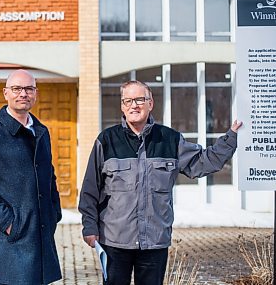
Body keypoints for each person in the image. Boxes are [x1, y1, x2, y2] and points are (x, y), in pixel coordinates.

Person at [78, 80, 242, 285]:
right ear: (122, 106)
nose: (133, 105)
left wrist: (232, 137)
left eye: (139, 99)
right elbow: (90, 189)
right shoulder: (106, 140)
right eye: (127, 100)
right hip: (114, 242)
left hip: (154, 243)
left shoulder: (169, 139)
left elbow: (204, 162)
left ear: (150, 103)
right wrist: (89, 227)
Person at [0, 69, 62, 285]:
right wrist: (7, 221)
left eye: (29, 89)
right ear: (5, 93)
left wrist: (54, 212)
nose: (23, 93)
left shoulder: (41, 131)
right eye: (17, 88)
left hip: (41, 233)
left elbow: (49, 175)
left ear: (35, 93)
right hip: (11, 237)